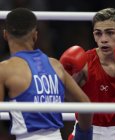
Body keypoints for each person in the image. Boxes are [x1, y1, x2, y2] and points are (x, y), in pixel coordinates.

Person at [0, 8, 93, 140]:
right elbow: (86, 105)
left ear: (5, 34)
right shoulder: (56, 66)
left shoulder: (5, 69)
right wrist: (83, 136)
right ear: (35, 35)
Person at [60, 8, 115, 140]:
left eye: (110, 33)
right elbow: (59, 97)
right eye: (98, 33)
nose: (103, 39)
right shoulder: (85, 63)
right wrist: (65, 76)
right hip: (85, 136)